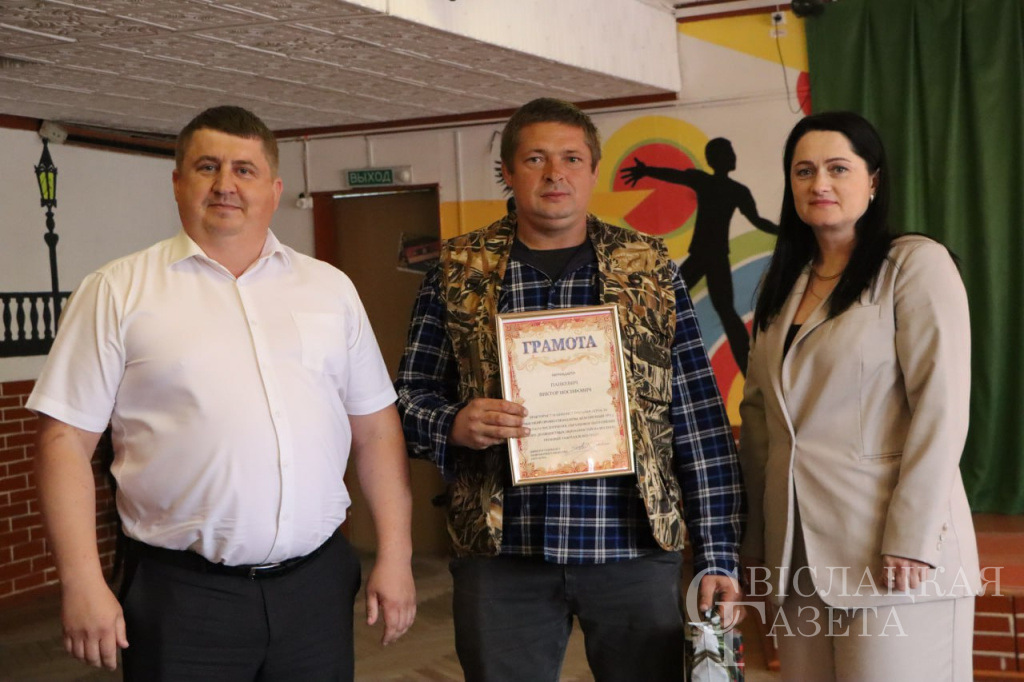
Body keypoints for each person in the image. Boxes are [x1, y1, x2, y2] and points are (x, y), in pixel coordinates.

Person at [28, 105, 416, 680]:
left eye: (244, 169)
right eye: (207, 167)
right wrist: (82, 581)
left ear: (274, 190)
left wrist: (397, 555)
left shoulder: (330, 289)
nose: (225, 184)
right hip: (182, 598)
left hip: (316, 588)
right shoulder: (116, 291)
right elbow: (63, 442)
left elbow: (377, 429)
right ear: (178, 182)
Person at [395, 97, 744, 682]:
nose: (555, 173)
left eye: (571, 158)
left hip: (631, 547)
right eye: (536, 159)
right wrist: (453, 423)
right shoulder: (456, 271)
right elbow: (407, 398)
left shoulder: (649, 269)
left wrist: (718, 552)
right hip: (501, 553)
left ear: (593, 171)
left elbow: (699, 417)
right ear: (508, 173)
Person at [738, 111, 979, 681]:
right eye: (804, 171)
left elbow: (941, 407)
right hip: (797, 557)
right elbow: (761, 420)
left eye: (837, 168)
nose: (819, 183)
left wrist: (912, 537)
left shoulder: (913, 264)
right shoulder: (782, 282)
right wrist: (756, 544)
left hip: (892, 552)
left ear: (873, 180)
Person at [620, 138, 778, 375]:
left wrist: (784, 232)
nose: (733, 156)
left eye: (732, 151)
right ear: (717, 158)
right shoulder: (717, 185)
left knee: (713, 309)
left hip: (712, 255)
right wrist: (646, 170)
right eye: (728, 152)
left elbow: (758, 221)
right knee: (670, 302)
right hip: (708, 255)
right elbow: (674, 175)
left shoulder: (732, 189)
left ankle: (750, 370)